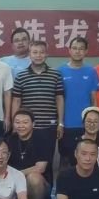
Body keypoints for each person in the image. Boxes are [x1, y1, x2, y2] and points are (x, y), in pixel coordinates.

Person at [12, 40, 65, 181]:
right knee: (29, 160)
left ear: (46, 54)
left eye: (41, 52)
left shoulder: (55, 74)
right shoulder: (21, 76)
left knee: (47, 162)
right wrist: (14, 123)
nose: (38, 55)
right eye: (35, 52)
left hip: (49, 126)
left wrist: (60, 123)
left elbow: (59, 98)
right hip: (27, 128)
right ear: (29, 54)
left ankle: (47, 191)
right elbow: (16, 101)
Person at [58, 37, 99, 166]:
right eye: (75, 48)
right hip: (67, 125)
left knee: (86, 160)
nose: (77, 51)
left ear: (86, 51)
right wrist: (60, 123)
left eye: (81, 49)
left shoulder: (91, 71)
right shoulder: (60, 71)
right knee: (67, 161)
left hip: (86, 126)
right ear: (69, 50)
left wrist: (95, 122)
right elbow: (58, 99)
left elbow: (94, 98)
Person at [7, 110, 50, 199]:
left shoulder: (42, 138)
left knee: (33, 178)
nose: (21, 126)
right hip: (16, 183)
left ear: (33, 124)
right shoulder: (10, 139)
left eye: (25, 122)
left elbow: (40, 168)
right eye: (17, 122)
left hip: (39, 184)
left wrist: (17, 174)